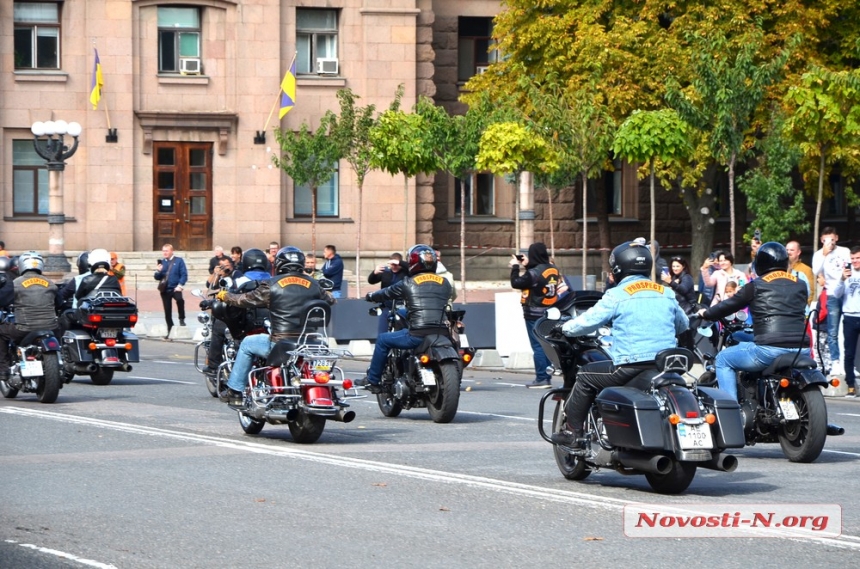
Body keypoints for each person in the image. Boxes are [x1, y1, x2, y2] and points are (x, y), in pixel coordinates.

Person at [551, 241, 688, 446]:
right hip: (665, 365)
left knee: (585, 376)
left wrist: (564, 328)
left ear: (619, 267)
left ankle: (573, 432)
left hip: (630, 365)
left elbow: (588, 321)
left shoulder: (617, 294)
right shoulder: (665, 292)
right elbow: (683, 324)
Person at [216, 246, 334, 403]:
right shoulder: (314, 284)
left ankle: (235, 391)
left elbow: (244, 299)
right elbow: (331, 300)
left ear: (278, 264)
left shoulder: (271, 284)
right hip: (310, 342)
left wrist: (226, 295)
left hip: (280, 342)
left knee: (247, 343)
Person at [697, 242, 809, 403]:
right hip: (801, 348)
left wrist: (707, 313)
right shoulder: (800, 284)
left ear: (760, 263)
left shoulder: (756, 285)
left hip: (770, 348)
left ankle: (731, 413)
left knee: (722, 359)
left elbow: (730, 304)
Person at [355, 245, 452, 392]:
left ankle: (372, 380)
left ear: (413, 262)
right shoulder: (445, 283)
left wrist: (370, 296)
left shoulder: (408, 282)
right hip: (442, 332)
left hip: (418, 334)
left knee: (382, 340)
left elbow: (386, 293)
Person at [510, 242, 571, 389]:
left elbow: (516, 282)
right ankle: (547, 373)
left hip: (533, 313)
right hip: (550, 311)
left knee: (537, 345)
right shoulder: (553, 269)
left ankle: (542, 377)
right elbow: (537, 280)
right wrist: (528, 266)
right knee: (547, 343)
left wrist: (515, 266)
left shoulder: (534, 272)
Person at [0, 252, 60, 382]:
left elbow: (2, 300)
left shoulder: (16, 283)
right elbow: (60, 303)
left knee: (1, 331)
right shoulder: (50, 283)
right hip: (51, 328)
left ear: (21, 265)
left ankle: (3, 369)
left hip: (24, 329)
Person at [812, 227, 851, 375]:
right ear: (822, 240)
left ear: (837, 238)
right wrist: (824, 254)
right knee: (832, 330)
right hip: (831, 293)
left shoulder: (844, 251)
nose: (830, 242)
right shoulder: (818, 255)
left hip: (847, 292)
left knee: (846, 330)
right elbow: (815, 271)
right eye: (827, 239)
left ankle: (848, 363)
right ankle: (835, 362)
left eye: (833, 239)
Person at [831, 245, 860, 397]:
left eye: (858, 258)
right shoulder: (845, 274)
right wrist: (842, 279)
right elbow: (836, 294)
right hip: (849, 316)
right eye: (853, 259)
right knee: (848, 353)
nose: (855, 261)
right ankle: (850, 384)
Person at [367, 252, 407, 336]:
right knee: (382, 333)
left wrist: (400, 263)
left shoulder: (406, 272)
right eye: (392, 264)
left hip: (401, 306)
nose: (394, 267)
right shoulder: (385, 272)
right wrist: (374, 272)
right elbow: (371, 281)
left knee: (401, 331)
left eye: (396, 265)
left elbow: (412, 268)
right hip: (386, 306)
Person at [154, 244, 188, 337]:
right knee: (167, 310)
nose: (165, 252)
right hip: (165, 289)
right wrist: (158, 271)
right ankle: (170, 329)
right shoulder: (162, 262)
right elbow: (157, 277)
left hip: (175, 287)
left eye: (166, 251)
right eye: (163, 251)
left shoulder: (179, 261)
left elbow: (184, 274)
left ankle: (181, 318)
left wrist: (180, 285)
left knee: (180, 300)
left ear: (171, 251)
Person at [786, 240, 815, 306]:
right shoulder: (781, 268)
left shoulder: (806, 270)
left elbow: (810, 292)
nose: (788, 252)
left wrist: (804, 306)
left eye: (792, 250)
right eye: (787, 250)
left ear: (798, 252)